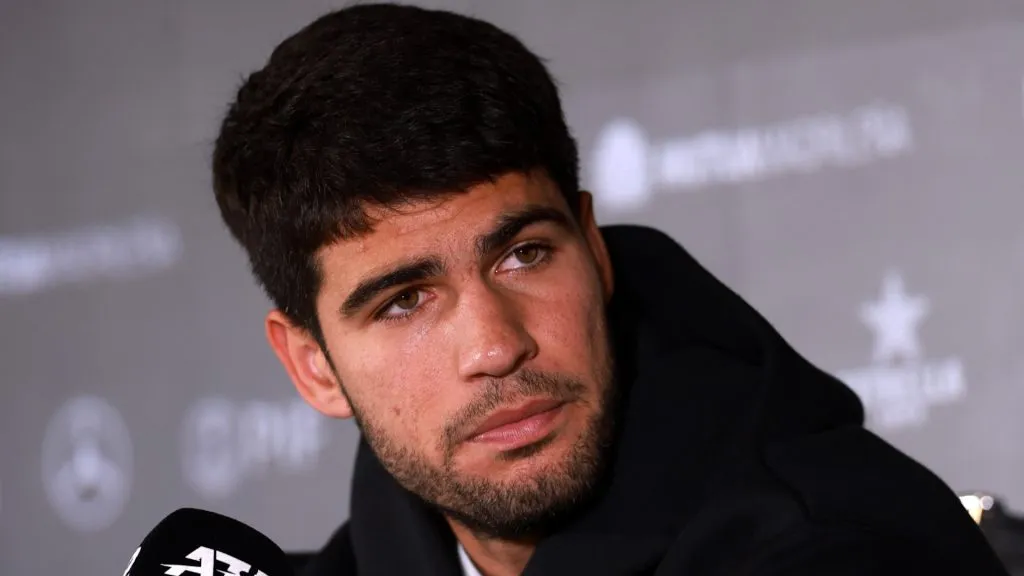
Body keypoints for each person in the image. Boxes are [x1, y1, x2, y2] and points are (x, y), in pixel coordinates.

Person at [210, 4, 1008, 575]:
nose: (495, 344)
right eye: (405, 301)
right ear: (313, 365)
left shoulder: (835, 547)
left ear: (592, 246)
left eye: (523, 254)